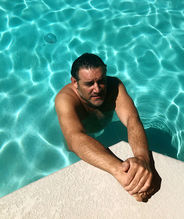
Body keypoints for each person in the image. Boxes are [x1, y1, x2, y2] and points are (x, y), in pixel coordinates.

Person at [55, 53, 160, 202]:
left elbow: (132, 119)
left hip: (104, 129)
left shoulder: (114, 86)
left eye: (101, 81)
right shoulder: (65, 99)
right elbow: (74, 139)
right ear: (75, 82)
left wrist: (143, 160)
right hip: (81, 137)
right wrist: (121, 172)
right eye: (89, 84)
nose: (97, 89)